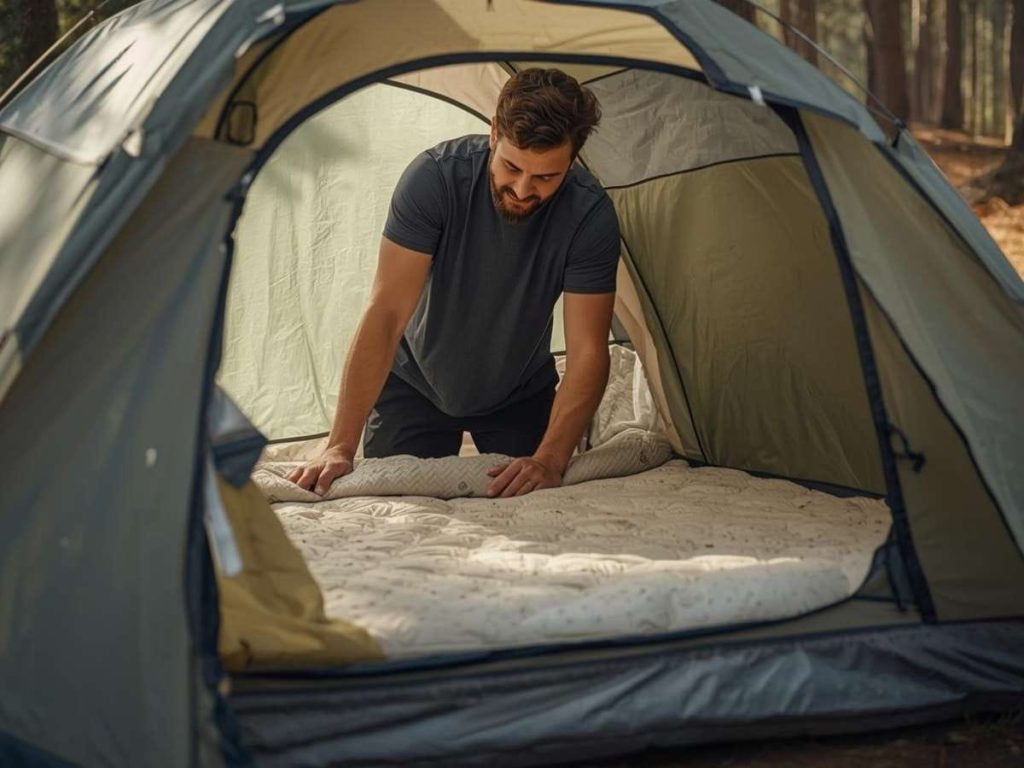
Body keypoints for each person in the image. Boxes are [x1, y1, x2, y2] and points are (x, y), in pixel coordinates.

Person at [288, 68, 621, 498]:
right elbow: (386, 314)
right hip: (413, 386)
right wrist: (338, 445)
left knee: (538, 490)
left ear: (573, 159)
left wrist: (551, 458)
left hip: (520, 391)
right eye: (511, 166)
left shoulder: (591, 217)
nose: (522, 188)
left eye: (545, 177)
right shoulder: (433, 180)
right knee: (395, 500)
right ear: (493, 132)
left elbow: (589, 351)